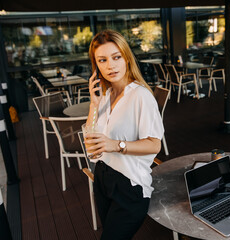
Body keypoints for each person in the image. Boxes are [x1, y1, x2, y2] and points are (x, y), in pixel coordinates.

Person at [85, 29, 164, 240]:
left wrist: (115, 145)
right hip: (102, 178)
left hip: (129, 185)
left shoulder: (140, 96)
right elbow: (90, 140)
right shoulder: (106, 94)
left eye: (116, 57)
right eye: (102, 60)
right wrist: (94, 105)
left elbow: (155, 145)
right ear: (96, 66)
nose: (110, 65)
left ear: (127, 58)